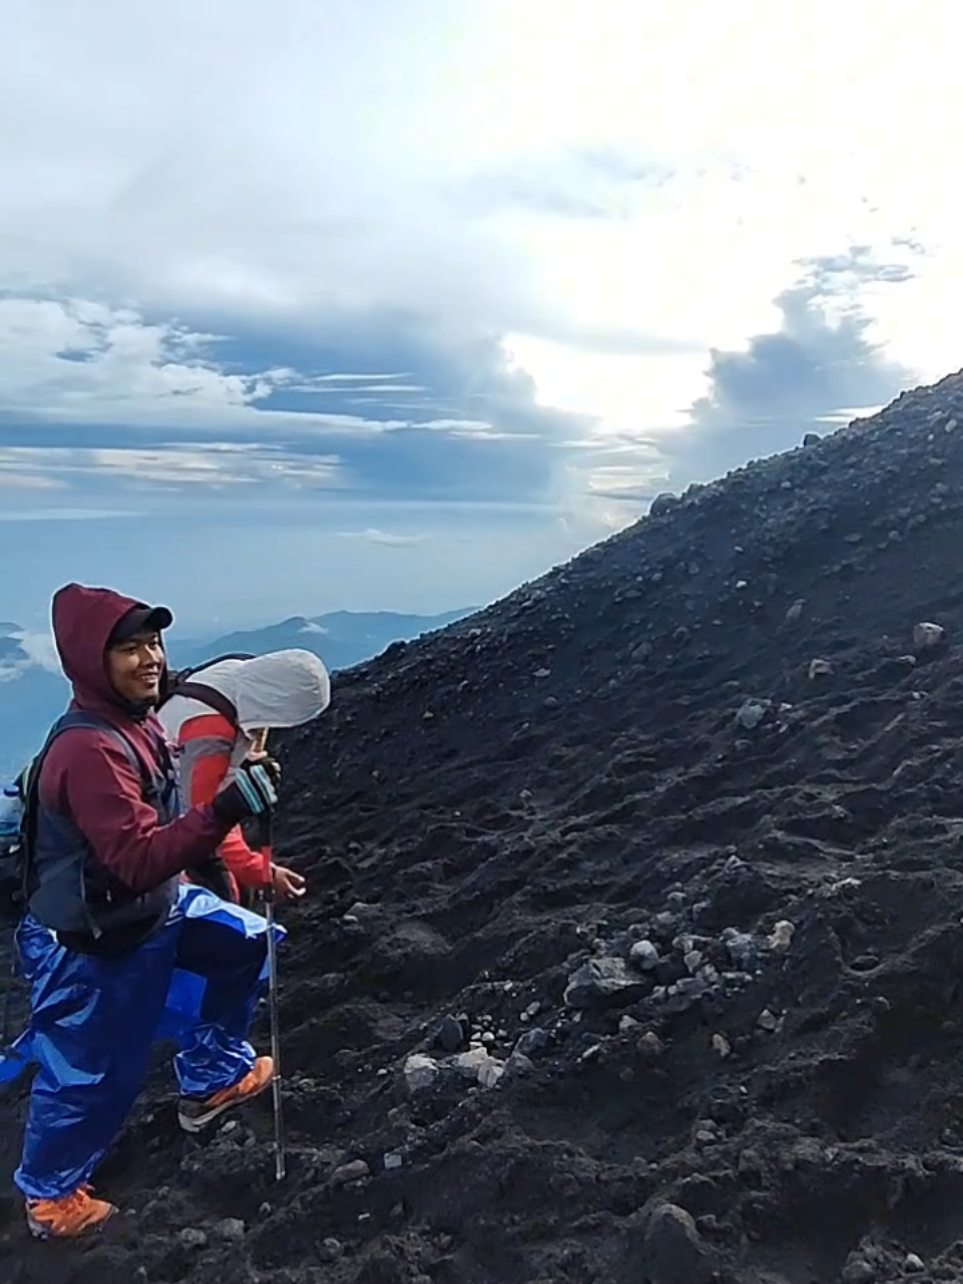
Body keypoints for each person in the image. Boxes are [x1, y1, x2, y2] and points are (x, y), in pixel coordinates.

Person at [11, 582, 284, 1241]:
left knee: (244, 943)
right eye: (128, 649)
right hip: (91, 941)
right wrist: (224, 809)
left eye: (154, 644)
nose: (150, 659)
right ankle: (50, 1199)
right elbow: (133, 859)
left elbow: (162, 829)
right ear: (88, 661)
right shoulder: (90, 751)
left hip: (151, 909)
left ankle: (211, 1076)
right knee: (91, 1073)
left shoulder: (134, 722)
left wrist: (231, 797)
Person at [156, 650, 330, 906]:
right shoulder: (209, 740)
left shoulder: (236, 672)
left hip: (177, 797)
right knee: (226, 900)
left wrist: (246, 763)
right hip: (167, 835)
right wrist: (262, 873)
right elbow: (204, 825)